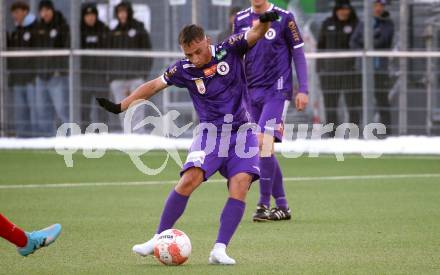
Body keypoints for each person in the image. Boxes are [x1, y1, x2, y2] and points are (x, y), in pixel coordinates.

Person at [97, 11, 280, 265]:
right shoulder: (182, 69)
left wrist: (266, 18)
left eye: (197, 52)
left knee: (240, 184)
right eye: (188, 55)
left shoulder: (230, 48)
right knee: (189, 179)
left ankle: (219, 249)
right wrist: (121, 105)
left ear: (206, 41)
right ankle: (157, 238)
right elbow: (153, 85)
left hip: (243, 133)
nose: (193, 59)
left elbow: (257, 32)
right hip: (210, 133)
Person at [233, 0, 308, 222]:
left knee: (262, 142)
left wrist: (303, 88)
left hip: (276, 91)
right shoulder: (240, 19)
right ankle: (282, 205)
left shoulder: (284, 17)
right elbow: (236, 52)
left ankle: (263, 204)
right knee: (264, 149)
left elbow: (298, 53)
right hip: (250, 92)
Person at [350, 0, 394, 135]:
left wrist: (366, 43)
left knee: (382, 101)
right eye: (376, 5)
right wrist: (368, 43)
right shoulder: (363, 22)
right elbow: (353, 41)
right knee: (358, 101)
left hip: (379, 69)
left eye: (381, 6)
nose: (379, 8)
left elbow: (383, 41)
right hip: (362, 70)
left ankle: (386, 133)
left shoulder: (388, 23)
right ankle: (355, 132)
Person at [317, 0, 360, 136]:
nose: (343, 12)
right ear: (336, 10)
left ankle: (354, 134)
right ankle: (331, 135)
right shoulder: (327, 23)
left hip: (350, 72)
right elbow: (320, 47)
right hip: (330, 72)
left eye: (346, 9)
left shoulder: (356, 24)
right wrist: (320, 69)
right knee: (330, 106)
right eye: (340, 9)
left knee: (353, 105)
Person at [108, 1, 152, 133]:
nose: (122, 14)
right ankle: (128, 139)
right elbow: (109, 57)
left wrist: (142, 76)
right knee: (123, 113)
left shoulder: (139, 28)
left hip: (136, 79)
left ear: (129, 12)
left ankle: (139, 140)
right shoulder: (114, 32)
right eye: (119, 12)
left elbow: (148, 53)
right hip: (118, 79)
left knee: (138, 111)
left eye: (124, 11)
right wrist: (112, 78)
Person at [33, 0, 70, 137]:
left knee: (62, 109)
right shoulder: (38, 28)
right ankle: (48, 139)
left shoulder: (62, 26)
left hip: (56, 76)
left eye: (47, 10)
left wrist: (59, 70)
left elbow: (66, 49)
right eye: (42, 11)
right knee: (42, 110)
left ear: (52, 10)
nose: (45, 13)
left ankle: (70, 138)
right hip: (41, 76)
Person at [7, 1, 37, 137]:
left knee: (36, 111)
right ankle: (22, 138)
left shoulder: (36, 28)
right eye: (13, 13)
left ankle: (39, 139)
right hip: (18, 79)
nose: (15, 15)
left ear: (25, 11)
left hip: (32, 79)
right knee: (20, 112)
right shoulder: (15, 32)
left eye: (17, 12)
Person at [80, 3, 110, 129]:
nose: (90, 18)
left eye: (92, 15)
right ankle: (83, 134)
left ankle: (102, 135)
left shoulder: (104, 29)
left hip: (101, 77)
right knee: (84, 109)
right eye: (87, 15)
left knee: (102, 109)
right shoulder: (78, 30)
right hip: (83, 76)